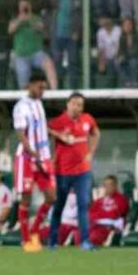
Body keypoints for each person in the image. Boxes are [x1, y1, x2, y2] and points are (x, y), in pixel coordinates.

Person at [48, 92, 99, 250]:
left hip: (83, 171)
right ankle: (53, 241)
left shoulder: (87, 119)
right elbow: (44, 130)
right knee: (59, 205)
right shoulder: (59, 121)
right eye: (75, 103)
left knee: (83, 204)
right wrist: (59, 135)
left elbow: (95, 133)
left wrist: (90, 153)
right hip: (63, 171)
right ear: (68, 104)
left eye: (81, 104)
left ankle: (84, 241)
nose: (78, 107)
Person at [12, 70, 54, 253]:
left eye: (44, 88)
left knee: (51, 197)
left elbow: (41, 130)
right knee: (26, 198)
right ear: (30, 85)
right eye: (40, 87)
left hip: (43, 157)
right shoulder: (22, 106)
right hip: (27, 158)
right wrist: (33, 153)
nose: (42, 91)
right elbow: (21, 134)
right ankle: (26, 239)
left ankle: (35, 230)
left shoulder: (39, 104)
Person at [8, 0, 58, 89]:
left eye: (26, 5)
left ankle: (54, 91)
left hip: (36, 53)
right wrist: (21, 19)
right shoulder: (15, 19)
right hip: (21, 55)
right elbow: (10, 30)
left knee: (49, 65)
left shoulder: (36, 18)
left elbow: (41, 29)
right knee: (23, 82)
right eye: (22, 6)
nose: (24, 7)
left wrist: (30, 19)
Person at [87, 175, 129, 246]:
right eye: (105, 185)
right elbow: (90, 214)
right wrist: (97, 217)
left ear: (115, 186)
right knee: (78, 234)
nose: (107, 188)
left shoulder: (121, 200)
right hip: (95, 226)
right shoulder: (99, 201)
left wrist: (98, 216)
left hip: (110, 228)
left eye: (110, 185)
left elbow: (114, 215)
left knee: (92, 238)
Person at [115, 17, 138, 86]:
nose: (127, 27)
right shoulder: (122, 38)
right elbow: (120, 50)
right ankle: (127, 81)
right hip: (129, 58)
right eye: (125, 25)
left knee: (133, 62)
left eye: (129, 25)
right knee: (117, 62)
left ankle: (134, 82)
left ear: (133, 26)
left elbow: (137, 52)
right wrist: (119, 56)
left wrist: (125, 56)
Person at [95, 14, 121, 87]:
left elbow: (121, 47)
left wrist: (116, 57)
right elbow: (101, 49)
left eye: (104, 19)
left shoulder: (118, 30)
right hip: (107, 59)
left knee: (113, 64)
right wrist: (101, 63)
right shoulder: (100, 32)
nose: (102, 22)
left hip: (118, 56)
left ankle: (112, 89)